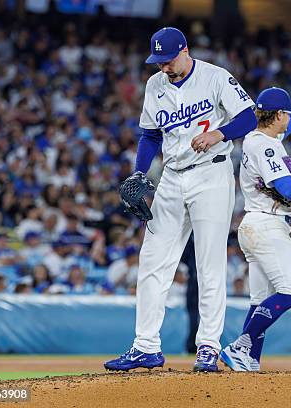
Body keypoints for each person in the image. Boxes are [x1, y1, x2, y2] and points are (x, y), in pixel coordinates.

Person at [104, 27, 257, 373]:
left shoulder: (216, 77)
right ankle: (145, 346)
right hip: (171, 178)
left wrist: (221, 132)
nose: (163, 68)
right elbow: (149, 135)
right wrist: (140, 173)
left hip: (211, 174)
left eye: (168, 60)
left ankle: (208, 346)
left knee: (209, 264)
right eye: (158, 62)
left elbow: (249, 116)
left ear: (185, 50)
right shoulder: (154, 86)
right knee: (152, 261)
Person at [220, 71, 291, 372]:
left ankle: (249, 358)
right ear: (277, 114)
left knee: (260, 300)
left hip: (257, 224)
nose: (289, 118)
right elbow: (286, 187)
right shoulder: (264, 146)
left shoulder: (261, 137)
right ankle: (242, 344)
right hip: (267, 225)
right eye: (286, 113)